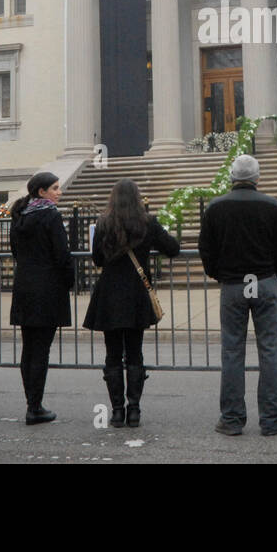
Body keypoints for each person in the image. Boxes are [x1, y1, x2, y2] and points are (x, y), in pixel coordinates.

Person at [199, 154, 277, 436]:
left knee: (231, 351)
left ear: (231, 176)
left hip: (233, 284)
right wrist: (273, 273)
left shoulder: (215, 207)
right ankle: (273, 417)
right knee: (270, 350)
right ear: (257, 177)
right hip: (263, 280)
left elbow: (206, 249)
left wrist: (219, 274)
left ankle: (231, 418)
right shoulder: (272, 206)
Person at [84, 179, 181, 428]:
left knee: (113, 354)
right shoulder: (147, 222)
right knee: (135, 352)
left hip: (109, 293)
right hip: (136, 292)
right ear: (137, 197)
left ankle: (117, 411)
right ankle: (134, 410)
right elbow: (172, 248)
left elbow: (97, 259)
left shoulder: (104, 223)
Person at [8, 171, 73, 425]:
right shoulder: (50, 216)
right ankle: (35, 407)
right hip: (47, 290)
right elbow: (62, 255)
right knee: (41, 351)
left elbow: (16, 252)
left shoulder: (20, 216)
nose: (59, 192)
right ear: (41, 192)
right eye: (54, 188)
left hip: (24, 287)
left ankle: (31, 403)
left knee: (29, 348)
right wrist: (69, 281)